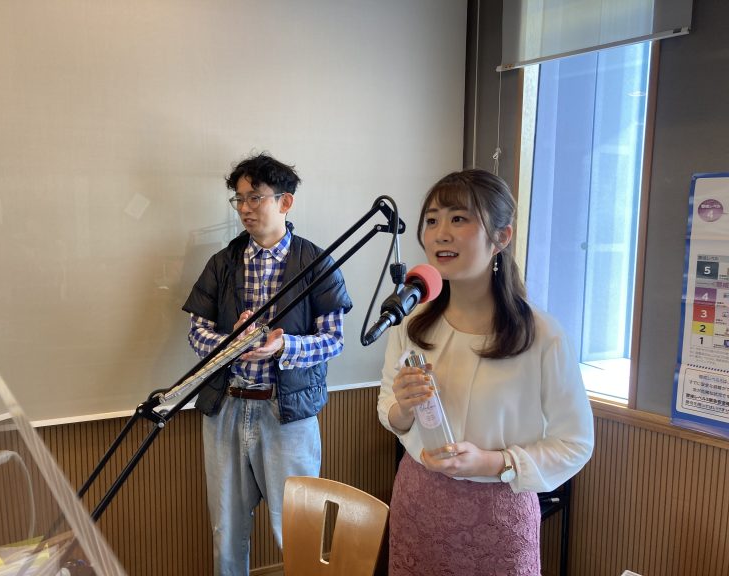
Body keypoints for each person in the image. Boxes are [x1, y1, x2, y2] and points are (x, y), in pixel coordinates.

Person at [377, 168, 594, 575]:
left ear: (502, 237)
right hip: (419, 500)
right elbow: (389, 408)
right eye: (432, 220)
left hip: (499, 511)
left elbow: (575, 443)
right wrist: (402, 408)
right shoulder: (412, 322)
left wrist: (493, 462)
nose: (440, 234)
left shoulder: (542, 335)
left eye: (458, 218)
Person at [182, 153, 352, 576]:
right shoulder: (222, 263)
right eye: (239, 199)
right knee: (226, 531)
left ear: (285, 202)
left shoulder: (317, 263)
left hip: (287, 413)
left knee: (297, 532)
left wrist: (281, 347)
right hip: (226, 407)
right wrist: (234, 344)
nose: (244, 208)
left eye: (255, 197)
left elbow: (333, 340)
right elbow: (197, 333)